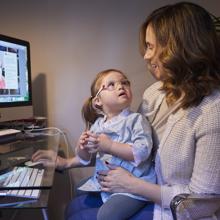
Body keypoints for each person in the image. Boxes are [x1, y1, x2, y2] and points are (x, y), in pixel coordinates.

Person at [61, 2, 220, 220]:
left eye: (151, 47)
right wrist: (67, 160)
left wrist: (132, 185)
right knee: (74, 206)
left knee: (79, 216)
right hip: (139, 183)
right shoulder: (154, 92)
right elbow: (125, 143)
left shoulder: (212, 112)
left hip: (173, 209)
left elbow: (200, 205)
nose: (145, 56)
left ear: (179, 48)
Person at [33, 69, 156, 220]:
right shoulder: (98, 124)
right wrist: (82, 148)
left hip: (132, 186)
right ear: (98, 101)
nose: (121, 86)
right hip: (108, 180)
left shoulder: (136, 120)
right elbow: (85, 158)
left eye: (124, 82)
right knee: (79, 189)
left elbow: (141, 152)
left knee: (106, 216)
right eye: (111, 84)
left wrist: (110, 146)